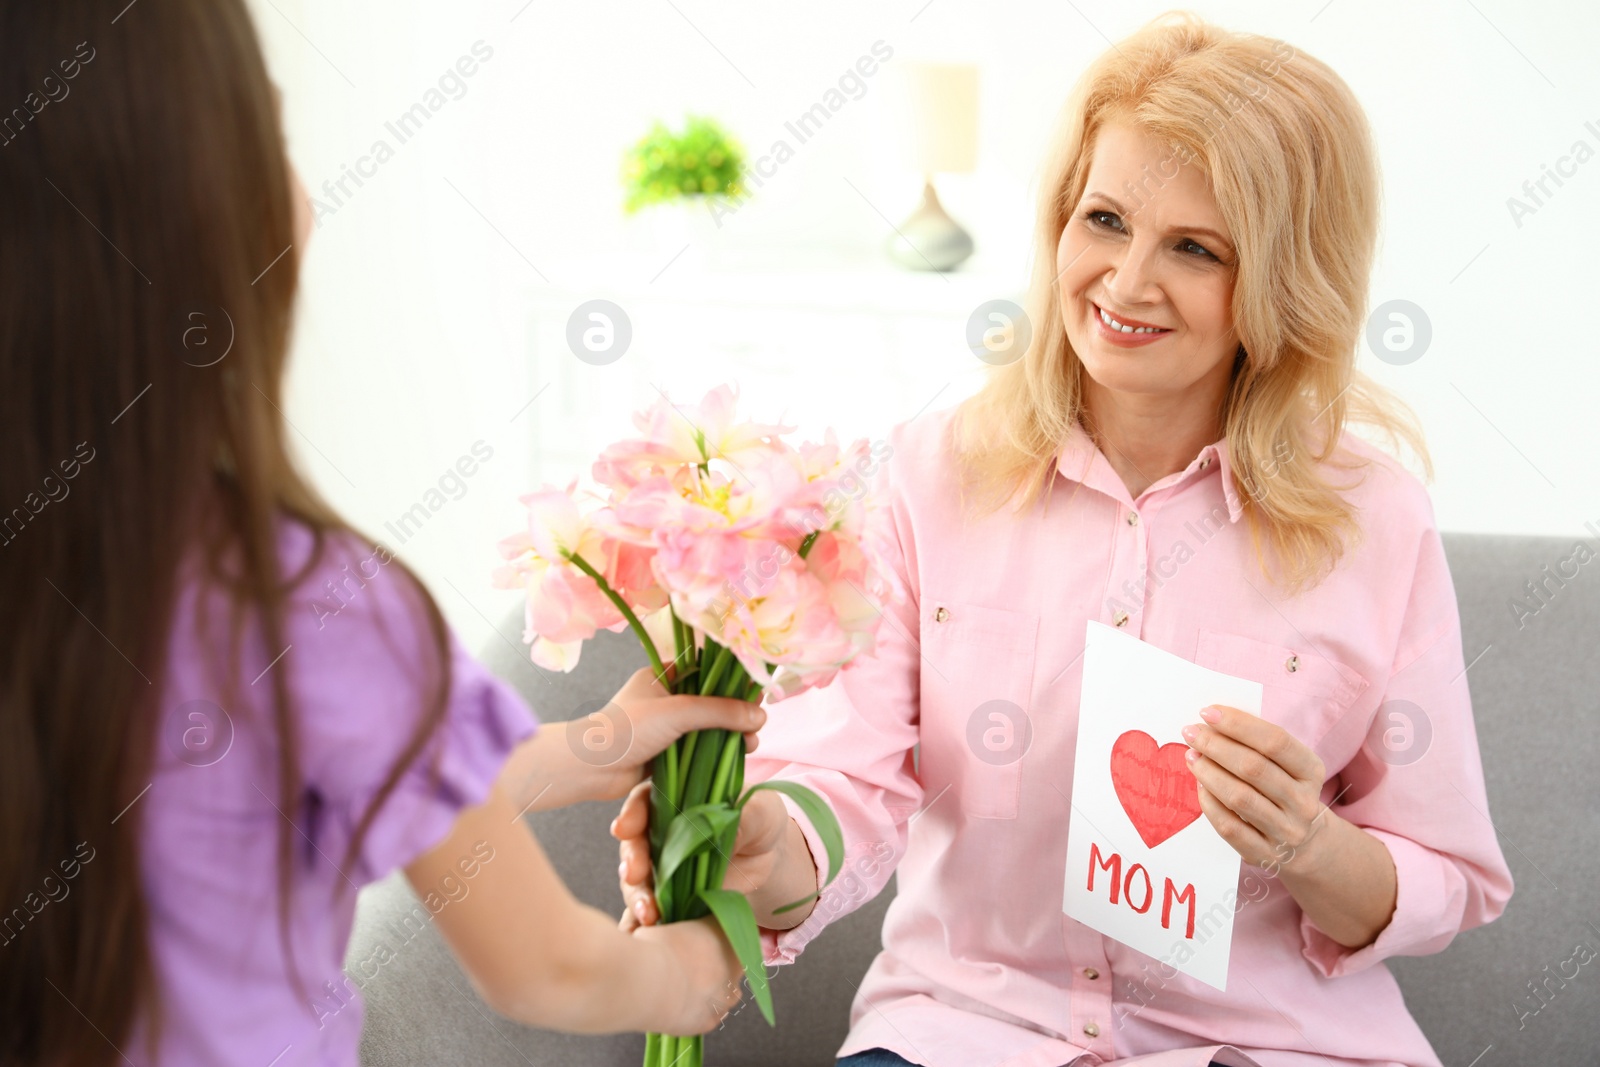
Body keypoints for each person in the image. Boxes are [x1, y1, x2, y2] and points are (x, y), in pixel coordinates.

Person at [616, 13, 1513, 1067]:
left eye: (1194, 247)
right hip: (963, 1032)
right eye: (1104, 219)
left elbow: (1448, 873)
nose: (1127, 282)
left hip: (1267, 1046)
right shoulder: (923, 474)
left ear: (1282, 277)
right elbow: (845, 778)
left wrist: (1312, 848)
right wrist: (767, 848)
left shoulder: (1376, 521)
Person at [0, 2, 758, 1064]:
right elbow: (547, 964)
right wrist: (690, 974)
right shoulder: (309, 601)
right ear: (206, 216)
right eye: (266, 138)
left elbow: (353, 781)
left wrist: (596, 747)